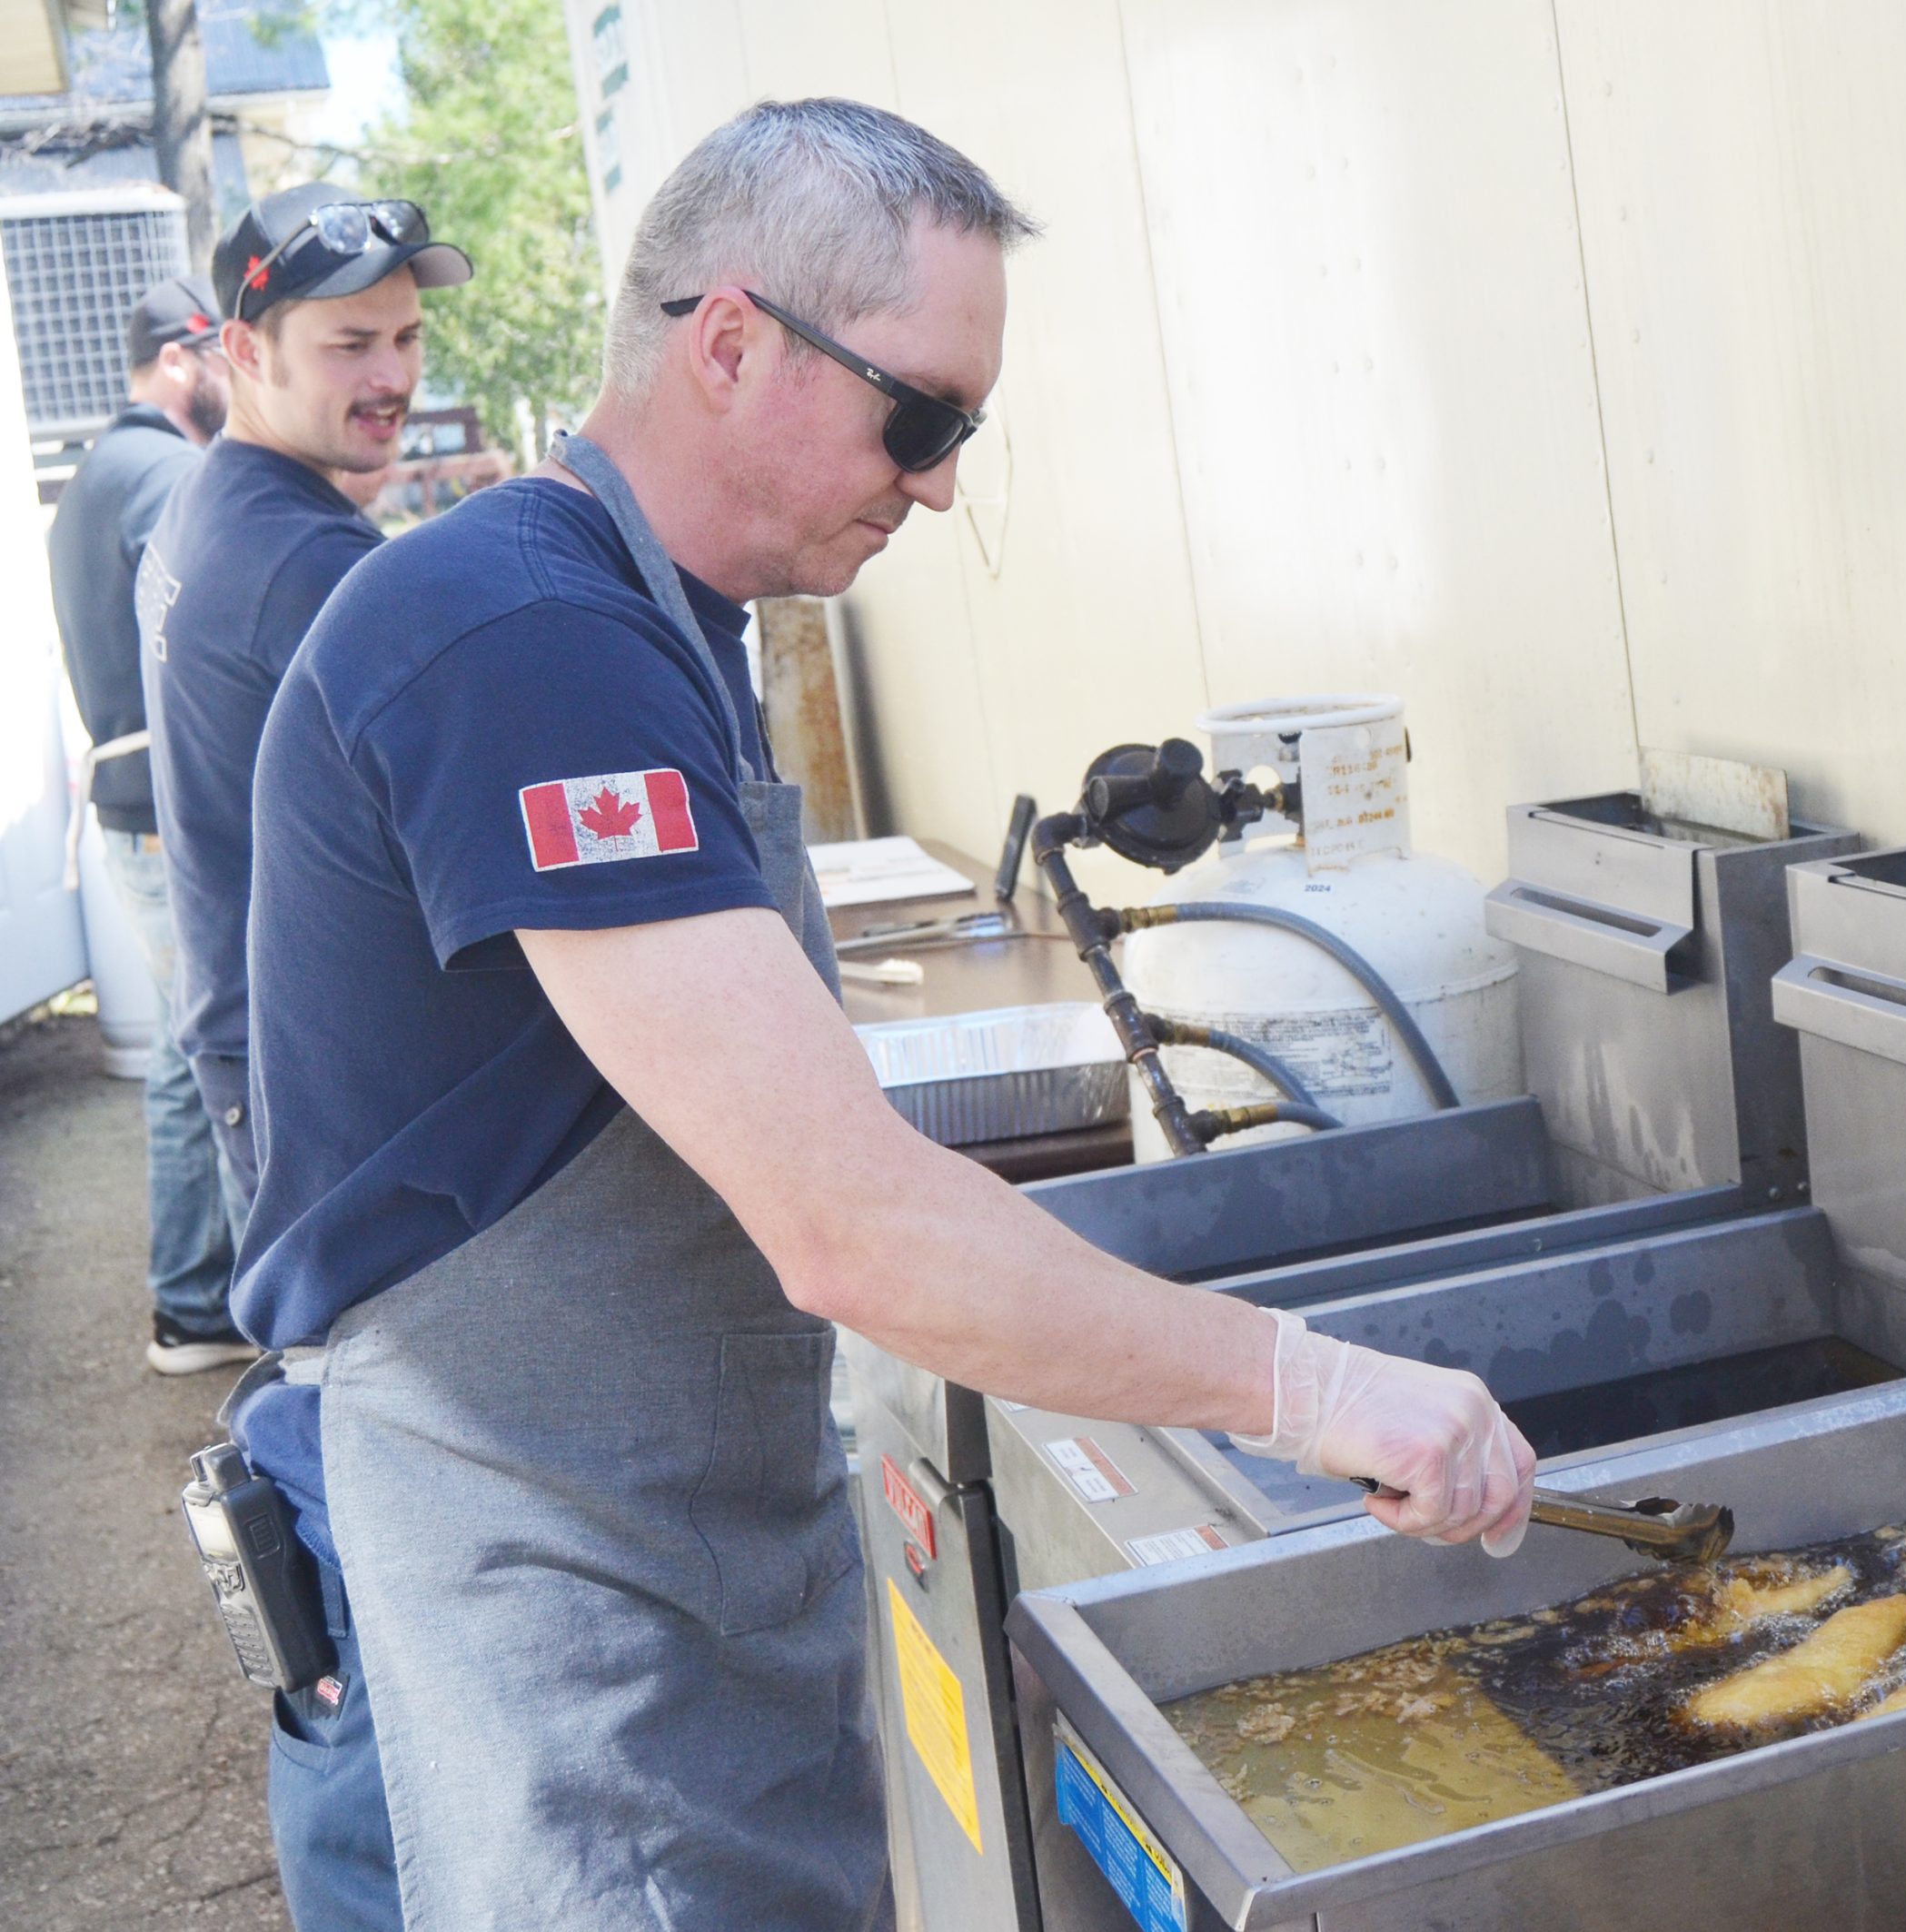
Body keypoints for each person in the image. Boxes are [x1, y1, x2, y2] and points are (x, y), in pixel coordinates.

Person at [231, 99, 1536, 1929]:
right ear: (731, 340)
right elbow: (850, 1224)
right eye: (916, 418)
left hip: (688, 1551)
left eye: (961, 434)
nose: (936, 486)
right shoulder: (522, 641)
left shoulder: (665, 627)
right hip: (555, 1608)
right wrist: (1310, 1388)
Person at [139, 185, 472, 1217]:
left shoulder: (208, 499)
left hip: (251, 1030)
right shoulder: (308, 565)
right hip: (317, 1071)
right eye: (351, 345)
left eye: (408, 338)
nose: (393, 378)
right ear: (245, 350)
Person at [48, 273, 253, 1373]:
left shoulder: (95, 476)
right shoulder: (173, 473)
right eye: (222, 355)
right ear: (179, 359)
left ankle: (193, 1302)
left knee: (188, 1049)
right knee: (229, 1054)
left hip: (130, 805)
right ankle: (260, 1320)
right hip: (174, 810)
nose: (235, 376)